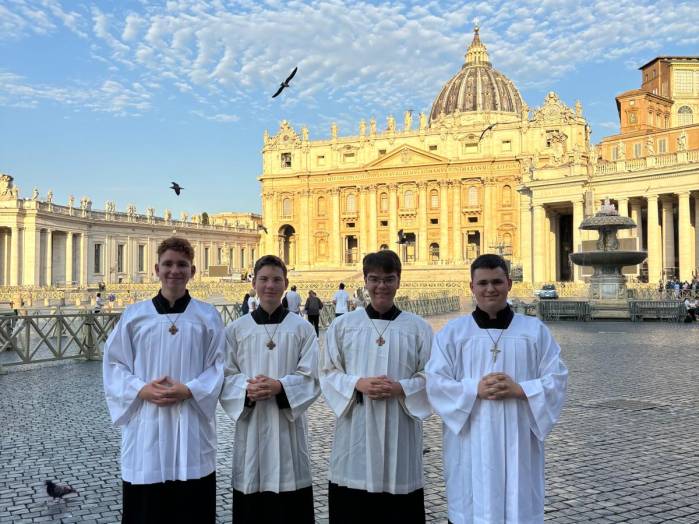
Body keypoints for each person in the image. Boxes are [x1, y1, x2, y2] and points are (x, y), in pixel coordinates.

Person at [426, 253, 568, 524]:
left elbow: (557, 378)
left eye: (497, 282)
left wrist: (521, 390)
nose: (490, 289)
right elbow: (435, 382)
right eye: (482, 283)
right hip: (470, 439)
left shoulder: (534, 331)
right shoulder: (453, 333)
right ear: (472, 287)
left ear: (509, 284)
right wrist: (473, 389)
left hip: (519, 440)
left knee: (518, 506)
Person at [102, 237, 225, 524]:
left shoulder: (207, 316)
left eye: (182, 264)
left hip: (191, 424)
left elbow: (219, 365)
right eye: (168, 264)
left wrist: (190, 389)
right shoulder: (135, 315)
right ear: (157, 269)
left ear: (192, 271)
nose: (174, 271)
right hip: (147, 424)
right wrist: (140, 389)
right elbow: (114, 363)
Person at [320, 250, 433, 523]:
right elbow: (327, 371)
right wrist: (357, 383)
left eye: (388, 279)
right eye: (374, 279)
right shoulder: (343, 325)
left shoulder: (418, 328)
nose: (381, 286)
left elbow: (433, 376)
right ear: (365, 281)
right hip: (356, 427)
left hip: (400, 428)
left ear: (399, 281)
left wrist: (401, 388)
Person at [220, 255, 320, 523]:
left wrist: (280, 386)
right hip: (251, 424)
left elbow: (312, 376)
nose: (270, 285)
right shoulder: (235, 329)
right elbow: (226, 375)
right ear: (253, 283)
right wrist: (246, 389)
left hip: (288, 428)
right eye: (263, 279)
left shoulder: (302, 329)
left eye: (277, 279)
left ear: (286, 283)